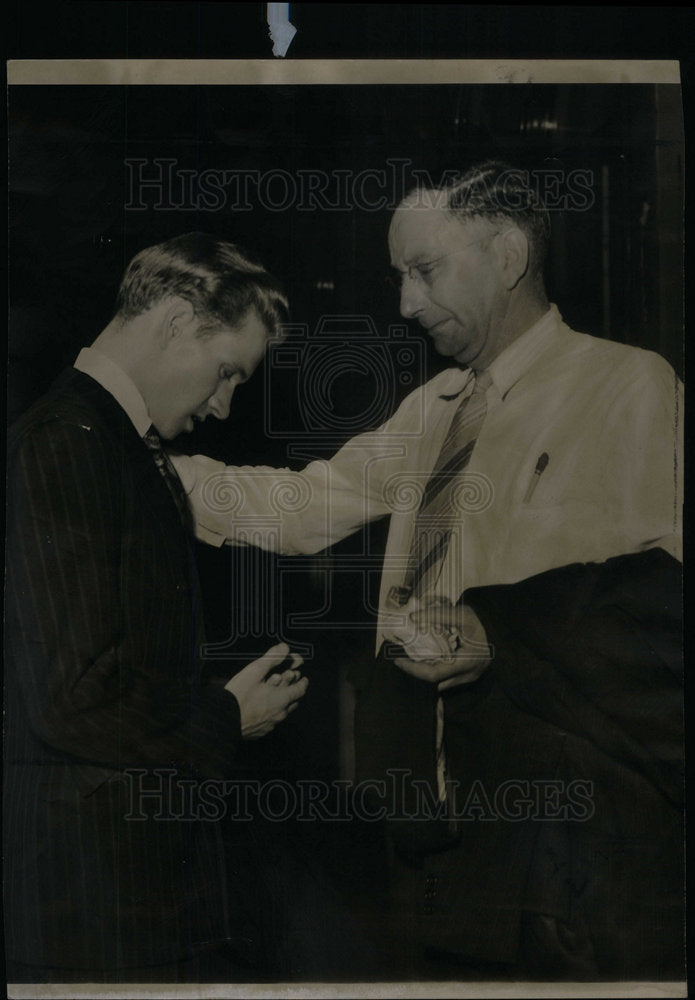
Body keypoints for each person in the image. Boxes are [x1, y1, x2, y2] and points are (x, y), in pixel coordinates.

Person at [172, 163, 684, 980]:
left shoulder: (624, 385)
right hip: (431, 821)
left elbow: (656, 604)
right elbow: (302, 507)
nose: (406, 304)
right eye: (397, 276)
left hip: (565, 830)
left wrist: (497, 629)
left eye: (424, 271)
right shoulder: (432, 410)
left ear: (508, 255)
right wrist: (154, 473)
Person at [4, 234, 312, 984]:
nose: (223, 404)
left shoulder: (108, 443)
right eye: (226, 373)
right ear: (177, 323)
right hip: (88, 903)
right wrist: (225, 718)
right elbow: (70, 699)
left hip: (123, 889)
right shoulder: (65, 446)